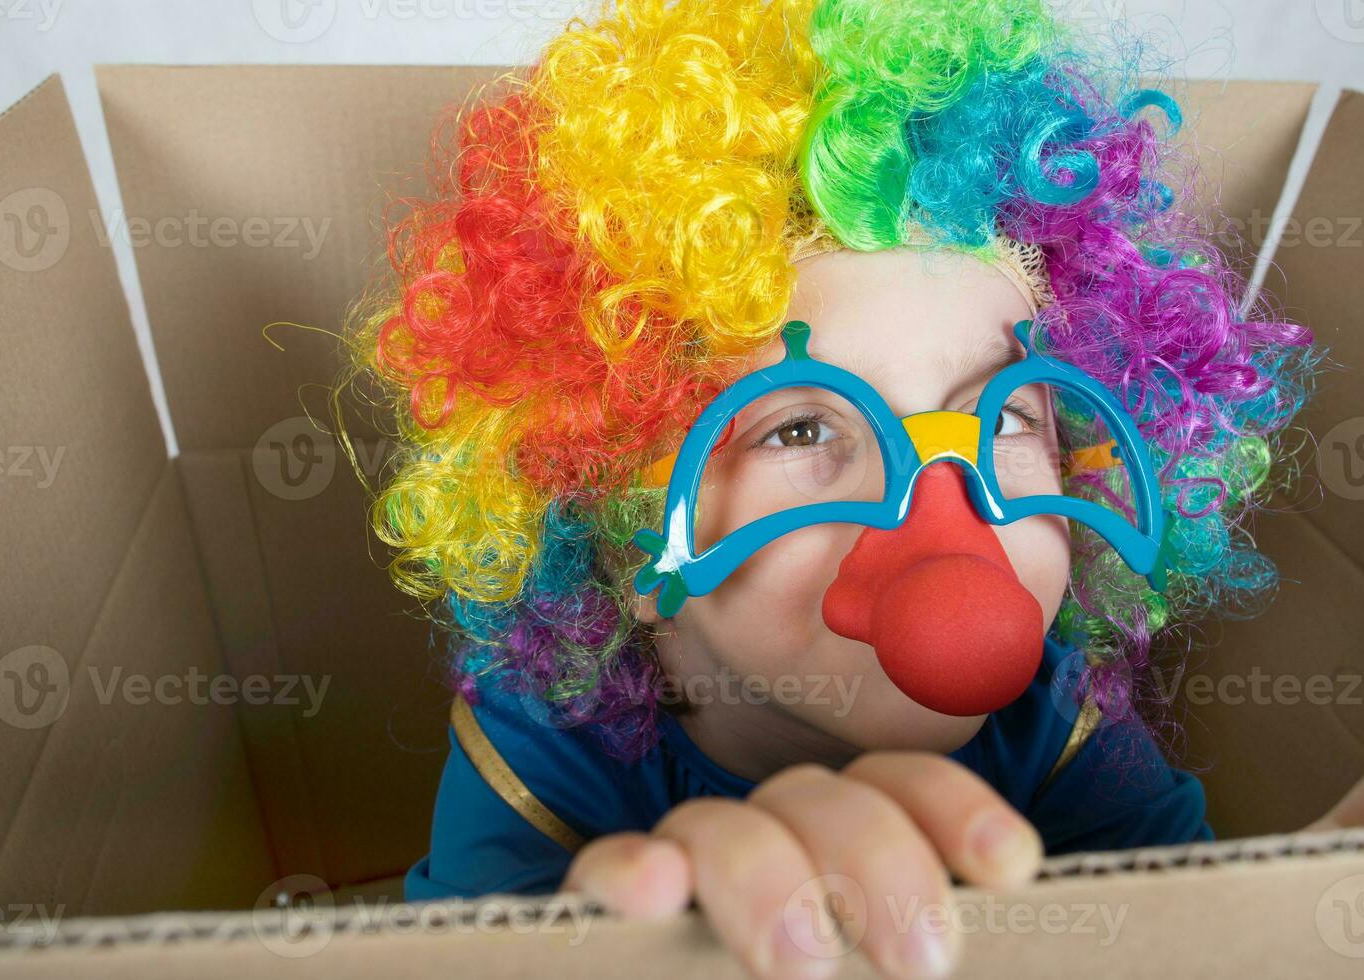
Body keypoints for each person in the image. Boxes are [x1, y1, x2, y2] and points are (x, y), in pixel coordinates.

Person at [335, 1, 1348, 977]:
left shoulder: (1060, 717)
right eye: (803, 425)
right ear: (629, 538)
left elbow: (1194, 933)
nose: (943, 514)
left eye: (1005, 418)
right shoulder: (540, 754)